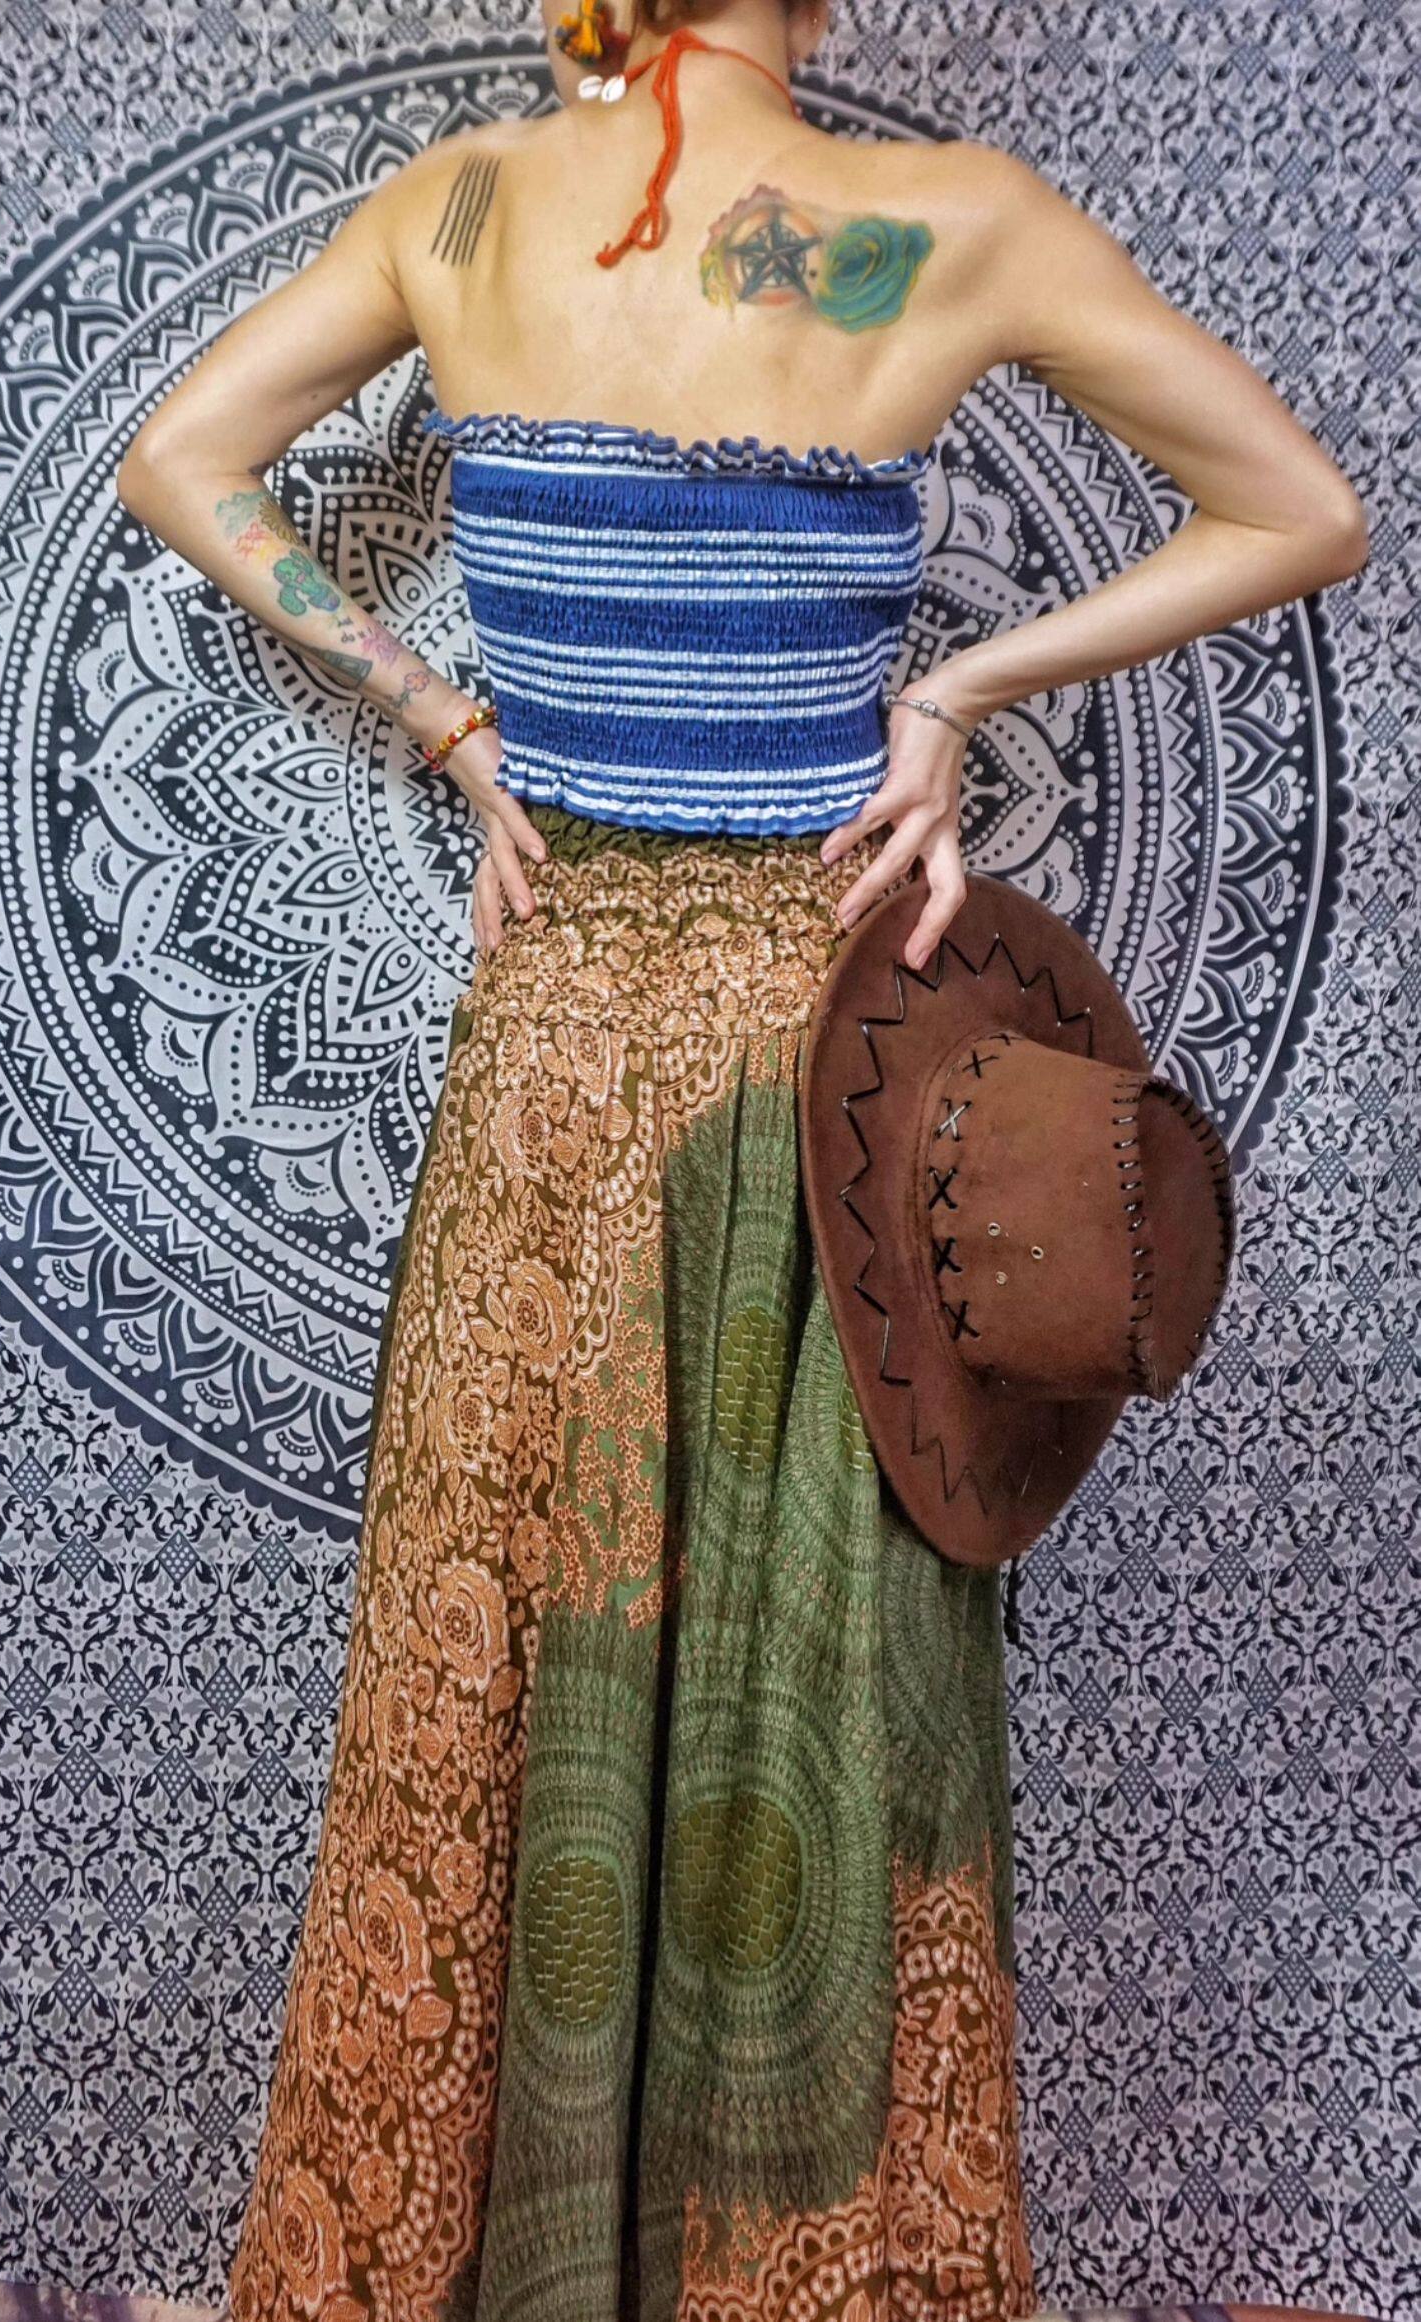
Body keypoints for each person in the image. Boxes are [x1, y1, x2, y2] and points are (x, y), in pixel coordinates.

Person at [114, 2, 1367, 2316]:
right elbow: (1309, 510)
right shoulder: (951, 222)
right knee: (823, 1681)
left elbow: (180, 457)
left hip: (550, 1054)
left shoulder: (464, 210)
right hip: (815, 1081)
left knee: (497, 1662)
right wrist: (957, 692)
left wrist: (445, 719)